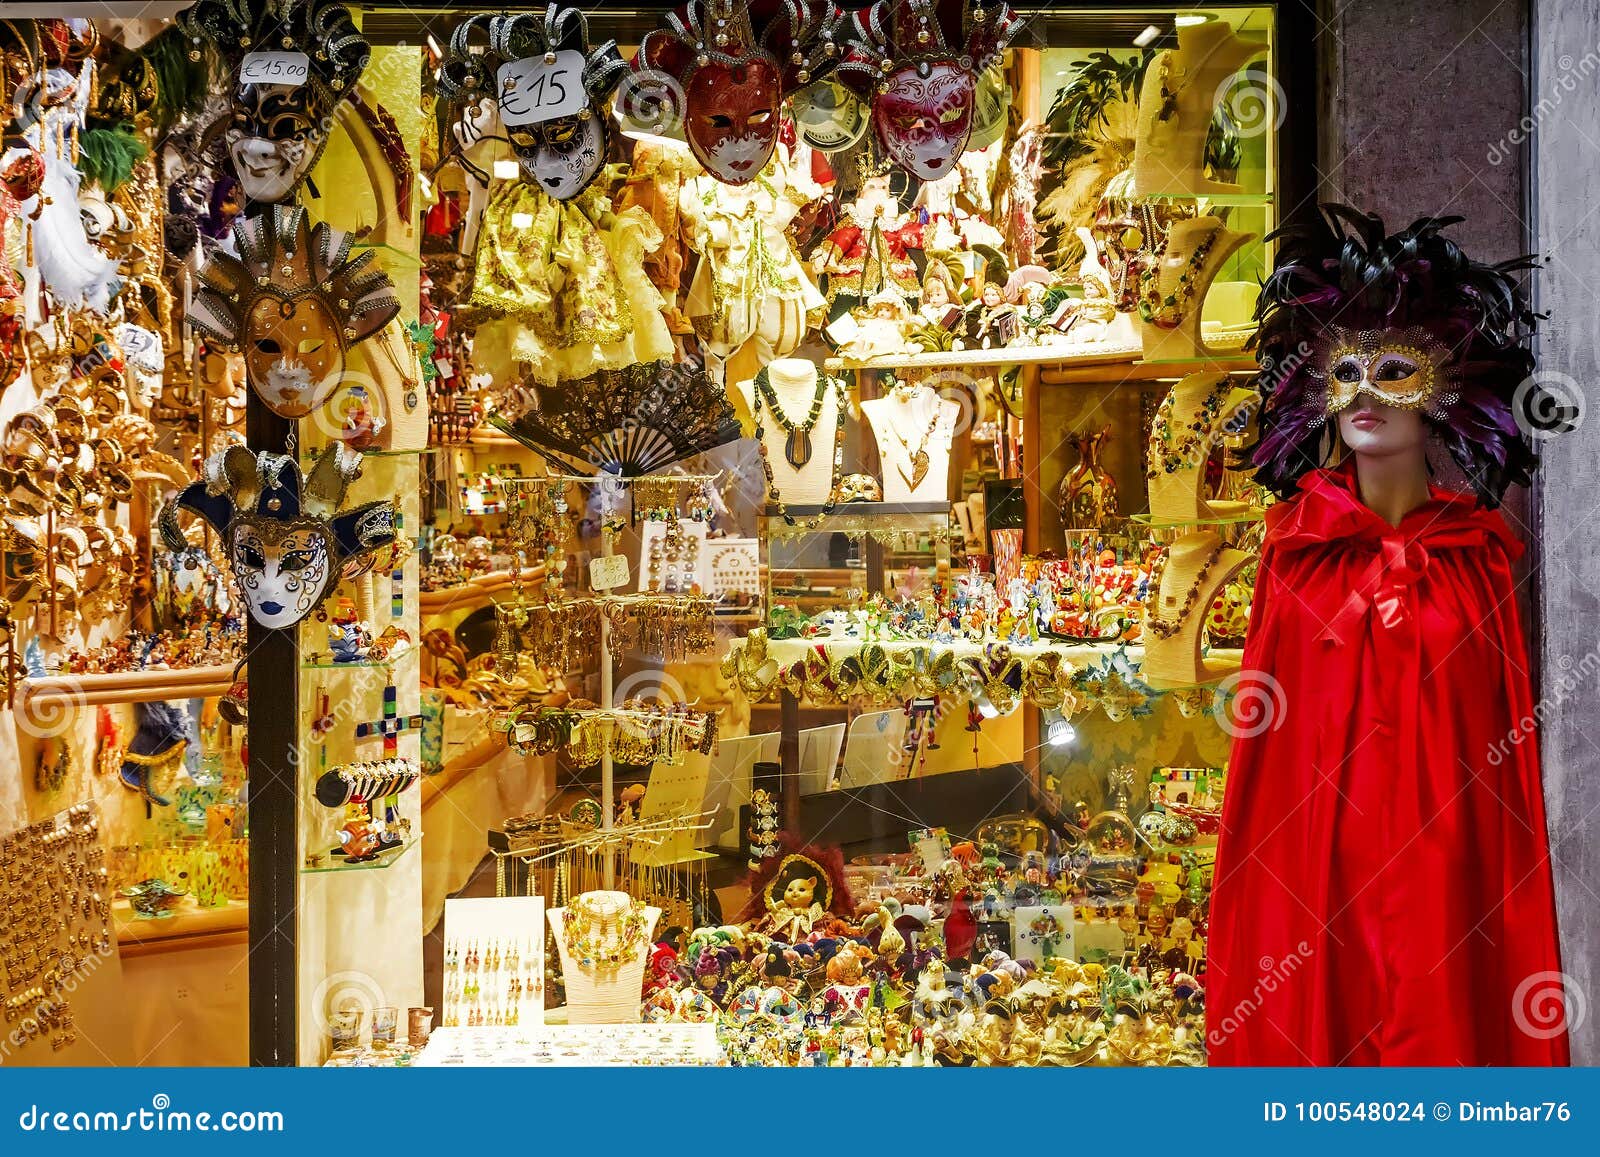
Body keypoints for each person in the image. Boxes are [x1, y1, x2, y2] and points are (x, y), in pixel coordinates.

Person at [1207, 205, 1570, 1066]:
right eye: (1346, 371)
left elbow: (1502, 771)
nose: (1366, 393)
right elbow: (1268, 773)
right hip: (1319, 877)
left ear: (1446, 388)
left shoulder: (1477, 559)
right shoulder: (1295, 554)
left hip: (1444, 881)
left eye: (1395, 369)